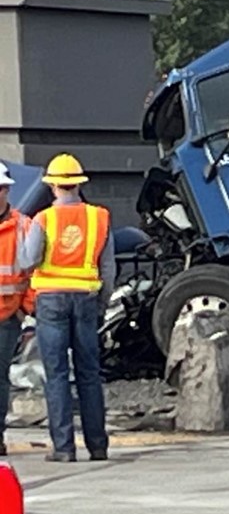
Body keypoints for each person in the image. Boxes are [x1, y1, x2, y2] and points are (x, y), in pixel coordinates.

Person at [18, 154, 114, 463]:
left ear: (53, 186)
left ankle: (64, 448)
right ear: (78, 184)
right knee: (89, 373)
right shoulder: (99, 217)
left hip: (51, 301)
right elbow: (108, 269)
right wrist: (102, 303)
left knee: (56, 374)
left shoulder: (44, 219)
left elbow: (28, 260)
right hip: (86, 298)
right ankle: (98, 446)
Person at [0, 164, 33, 457]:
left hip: (7, 317)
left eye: (2, 189)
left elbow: (34, 272)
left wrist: (25, 310)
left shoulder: (23, 226)